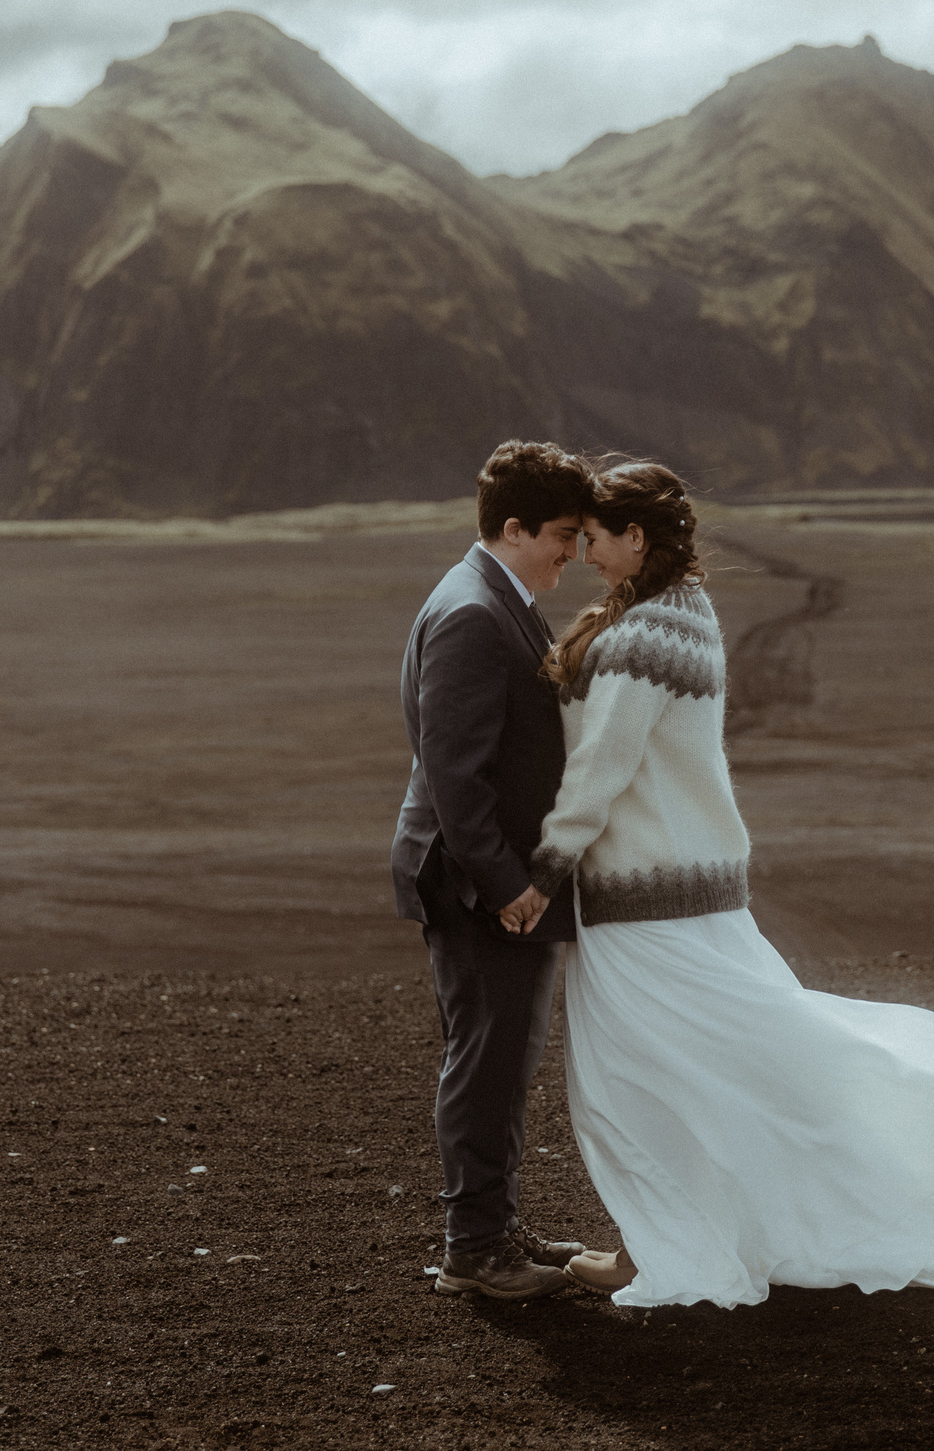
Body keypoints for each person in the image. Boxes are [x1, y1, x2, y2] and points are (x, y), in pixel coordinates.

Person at [519, 460, 934, 1308]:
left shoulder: (646, 634)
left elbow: (603, 768)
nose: (583, 552)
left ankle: (668, 1242)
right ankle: (666, 1232)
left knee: (635, 1080)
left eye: (595, 536)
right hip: (696, 895)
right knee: (716, 1068)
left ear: (637, 537)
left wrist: (546, 868)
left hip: (643, 901)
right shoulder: (684, 611)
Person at [391, 439, 598, 1300]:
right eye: (560, 533)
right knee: (488, 1059)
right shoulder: (476, 613)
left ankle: (494, 1226)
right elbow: (455, 775)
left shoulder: (496, 596)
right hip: (480, 887)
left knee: (502, 1054)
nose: (571, 552)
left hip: (489, 879)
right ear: (512, 527)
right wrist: (510, 884)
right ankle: (474, 1249)